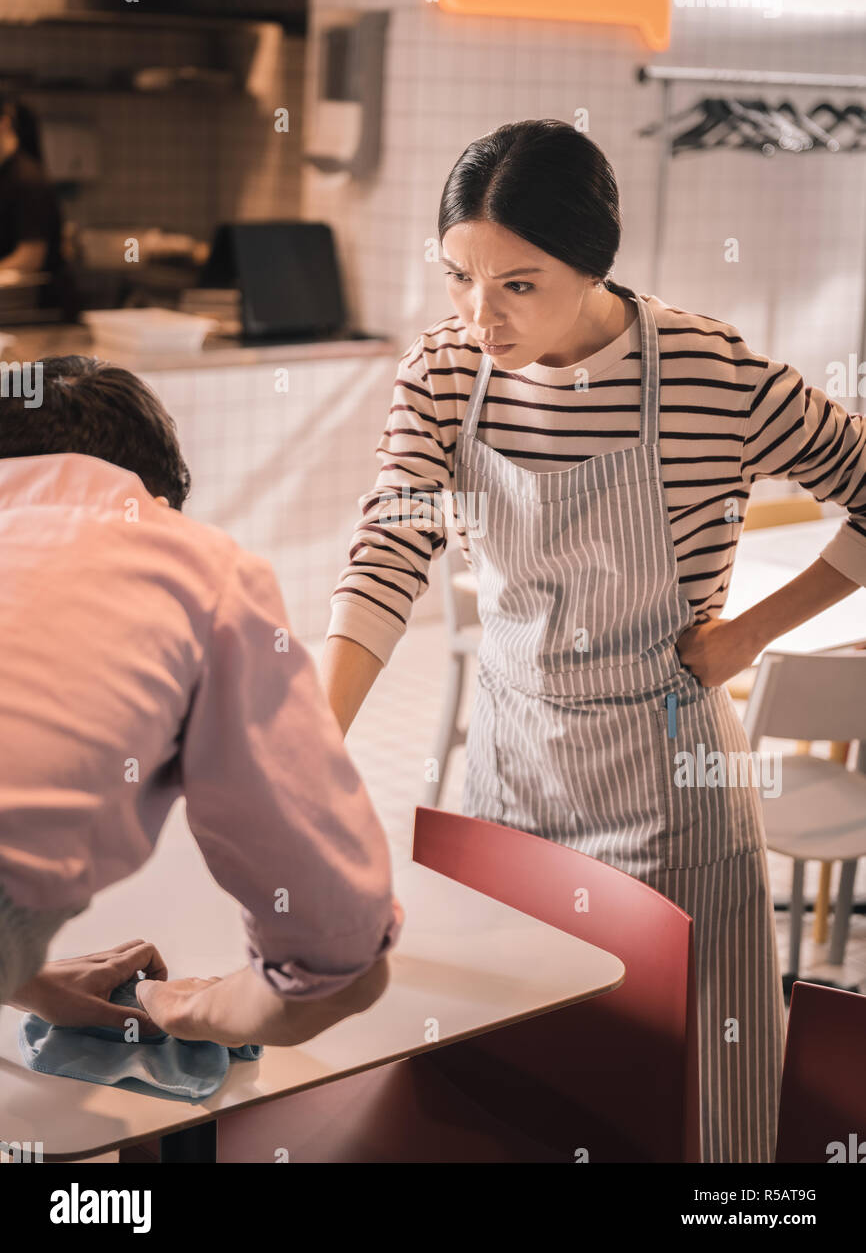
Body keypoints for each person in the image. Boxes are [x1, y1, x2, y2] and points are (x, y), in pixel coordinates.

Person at [320, 119, 866, 1163]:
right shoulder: (444, 370)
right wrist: (312, 743)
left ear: (592, 264)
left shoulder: (711, 375)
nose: (480, 317)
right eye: (457, 278)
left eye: (517, 285)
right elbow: (390, 548)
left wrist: (747, 635)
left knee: (695, 1087)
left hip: (667, 787)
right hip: (512, 770)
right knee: (525, 1073)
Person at [0, 356, 402, 1046]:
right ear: (156, 504)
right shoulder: (197, 570)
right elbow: (342, 958)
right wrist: (181, 1008)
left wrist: (23, 978)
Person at [0, 100, 67, 309]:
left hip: (37, 307)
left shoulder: (28, 180)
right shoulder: (5, 174)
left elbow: (30, 258)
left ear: (3, 123)